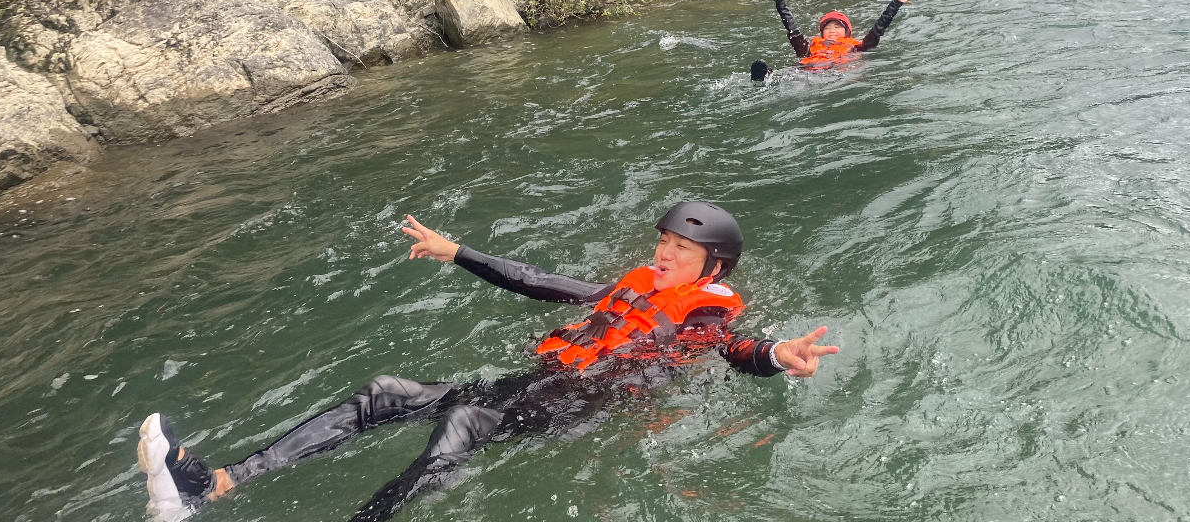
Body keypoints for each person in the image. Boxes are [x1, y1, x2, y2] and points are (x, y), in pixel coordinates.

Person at [137, 202, 837, 522]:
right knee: (385, 393)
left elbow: (729, 349)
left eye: (679, 250)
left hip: (586, 403)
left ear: (712, 265)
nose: (663, 253)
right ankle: (219, 482)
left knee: (466, 419)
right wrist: (459, 252)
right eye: (661, 242)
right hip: (541, 382)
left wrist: (777, 354)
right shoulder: (636, 284)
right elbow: (537, 280)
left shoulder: (708, 309)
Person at [751, 0, 913, 80]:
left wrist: (896, 3)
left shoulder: (857, 47)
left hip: (834, 73)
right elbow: (792, 29)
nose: (832, 30)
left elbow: (878, 29)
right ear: (822, 33)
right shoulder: (809, 49)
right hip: (805, 70)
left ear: (847, 33)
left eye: (837, 27)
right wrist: (779, 1)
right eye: (828, 28)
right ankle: (766, 77)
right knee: (791, 74)